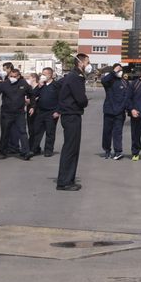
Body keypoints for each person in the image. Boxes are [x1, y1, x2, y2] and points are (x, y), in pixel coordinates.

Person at [55, 53, 89, 191]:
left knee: (71, 148)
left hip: (69, 114)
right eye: (87, 62)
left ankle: (68, 178)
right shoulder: (76, 77)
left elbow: (57, 86)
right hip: (71, 115)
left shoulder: (71, 76)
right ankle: (64, 181)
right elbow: (81, 99)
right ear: (80, 63)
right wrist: (83, 102)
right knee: (71, 148)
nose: (88, 65)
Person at [0, 65, 33, 161]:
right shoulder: (4, 84)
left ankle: (26, 152)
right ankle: (2, 151)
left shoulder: (24, 84)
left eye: (14, 76)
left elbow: (32, 95)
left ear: (19, 76)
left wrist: (32, 106)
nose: (12, 78)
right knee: (5, 133)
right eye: (11, 76)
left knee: (23, 132)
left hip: (19, 113)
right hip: (6, 113)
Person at [100, 63, 129, 160]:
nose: (120, 72)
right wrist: (113, 72)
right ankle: (107, 150)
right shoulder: (109, 81)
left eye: (121, 70)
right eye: (118, 70)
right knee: (107, 132)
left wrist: (124, 108)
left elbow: (127, 97)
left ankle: (118, 151)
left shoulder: (124, 82)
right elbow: (103, 80)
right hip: (109, 111)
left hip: (119, 112)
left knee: (117, 132)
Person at [31, 67, 61, 156]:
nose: (42, 76)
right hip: (40, 111)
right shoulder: (41, 85)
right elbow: (33, 94)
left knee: (50, 132)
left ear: (50, 75)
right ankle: (34, 149)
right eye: (42, 74)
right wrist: (39, 86)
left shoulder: (56, 85)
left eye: (44, 74)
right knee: (37, 131)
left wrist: (58, 111)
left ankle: (48, 150)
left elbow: (61, 99)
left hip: (52, 112)